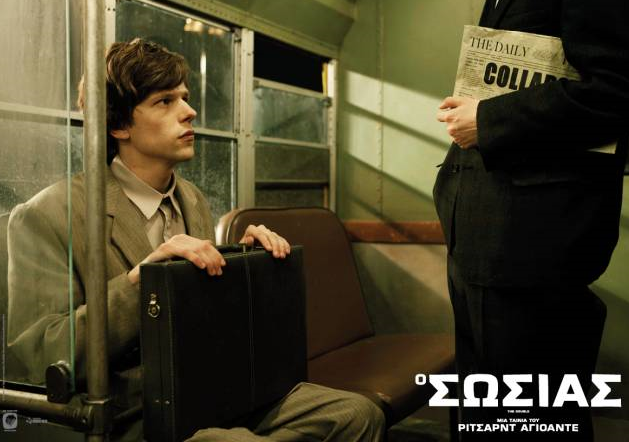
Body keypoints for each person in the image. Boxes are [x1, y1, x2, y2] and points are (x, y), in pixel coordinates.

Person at [7, 38, 384, 441]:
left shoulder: (192, 199)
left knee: (357, 414)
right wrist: (140, 284)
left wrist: (245, 264)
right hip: (135, 413)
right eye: (164, 101)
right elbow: (41, 355)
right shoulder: (50, 214)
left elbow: (204, 318)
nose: (189, 112)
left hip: (212, 393)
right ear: (119, 125)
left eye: (184, 98)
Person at [434, 0, 629, 441]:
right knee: (483, 410)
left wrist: (487, 119)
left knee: (531, 417)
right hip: (479, 234)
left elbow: (616, 90)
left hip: (528, 243)